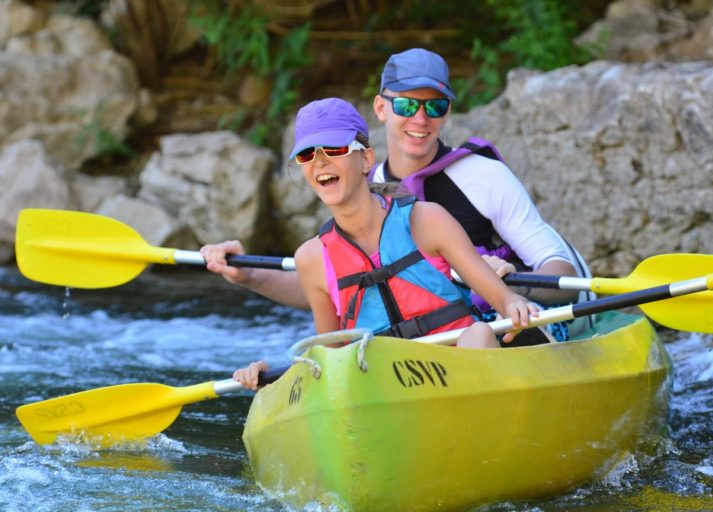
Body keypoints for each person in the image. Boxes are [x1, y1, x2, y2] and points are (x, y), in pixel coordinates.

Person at [202, 47, 592, 341]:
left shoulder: (482, 177)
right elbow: (339, 287)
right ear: (381, 108)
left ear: (447, 112)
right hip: (423, 347)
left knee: (480, 334)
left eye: (435, 106)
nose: (420, 119)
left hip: (502, 325)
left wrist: (508, 283)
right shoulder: (365, 191)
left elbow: (564, 272)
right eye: (406, 104)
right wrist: (249, 274)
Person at [232, 98, 539, 389]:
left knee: (480, 332)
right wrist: (268, 378)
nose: (320, 162)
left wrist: (515, 307)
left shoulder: (427, 221)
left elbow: (504, 299)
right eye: (307, 155)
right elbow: (328, 360)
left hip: (458, 368)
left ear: (365, 159)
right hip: (383, 388)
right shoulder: (311, 258)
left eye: (334, 149)